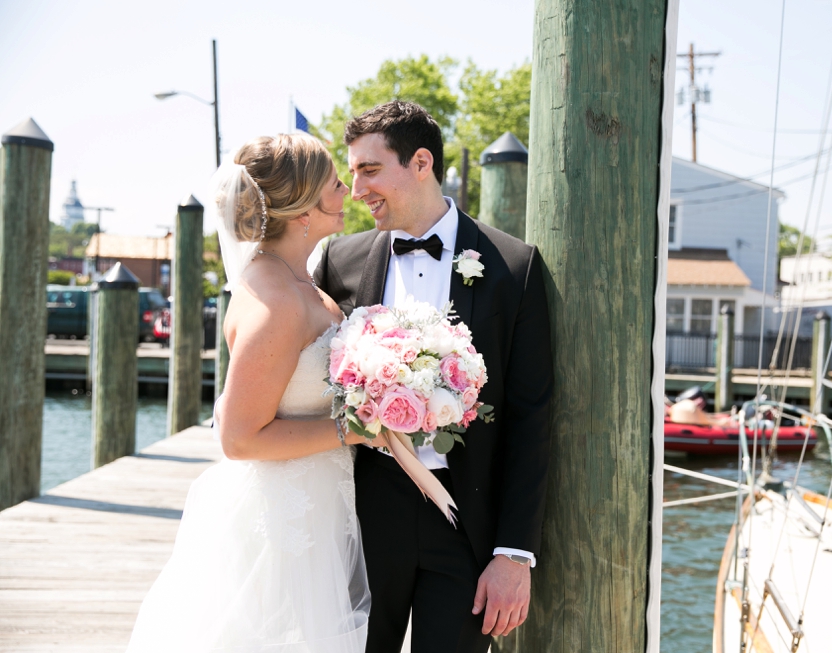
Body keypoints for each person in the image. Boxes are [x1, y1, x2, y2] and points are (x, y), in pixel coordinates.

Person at [315, 101, 554, 653]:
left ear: (420, 162)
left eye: (369, 170)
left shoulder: (514, 268)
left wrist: (514, 554)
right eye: (352, 173)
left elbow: (530, 418)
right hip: (361, 518)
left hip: (465, 525)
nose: (356, 190)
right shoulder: (339, 263)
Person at [126, 133, 374, 653]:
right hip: (283, 524)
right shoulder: (276, 300)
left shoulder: (293, 281)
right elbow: (239, 437)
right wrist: (354, 429)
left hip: (319, 505)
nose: (347, 189)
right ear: (303, 208)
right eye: (334, 182)